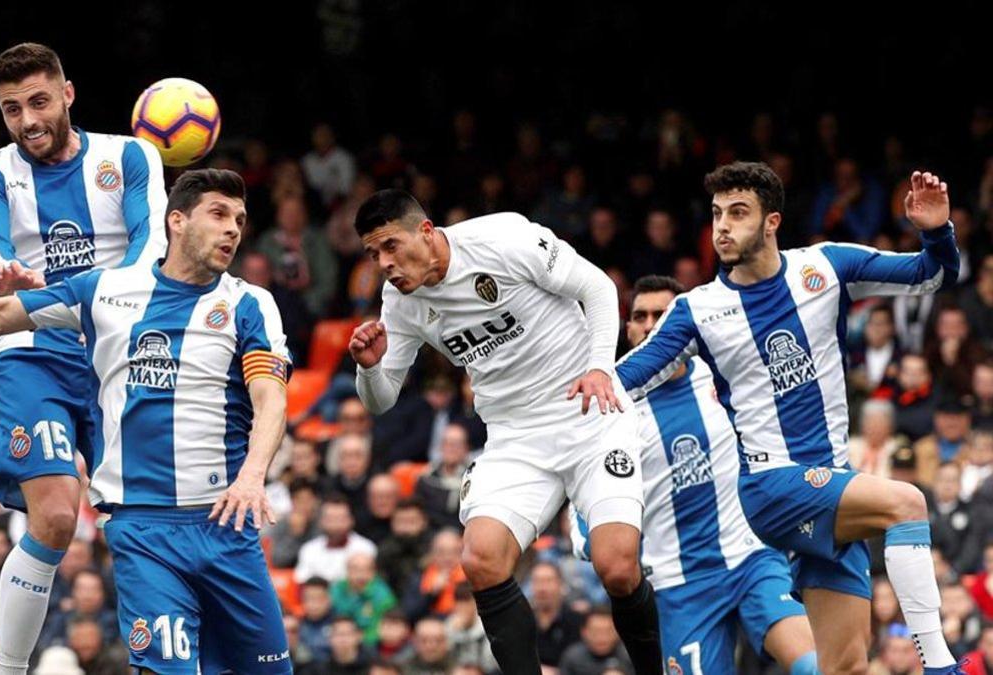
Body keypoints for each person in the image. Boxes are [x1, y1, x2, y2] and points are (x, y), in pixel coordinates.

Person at [0, 168, 292, 673]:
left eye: (241, 219)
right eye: (219, 214)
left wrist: (252, 477)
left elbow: (271, 397)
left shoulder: (250, 304)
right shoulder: (104, 290)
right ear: (177, 221)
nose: (233, 229)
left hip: (225, 524)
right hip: (142, 529)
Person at [617, 162, 963, 674]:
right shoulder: (698, 309)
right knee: (907, 502)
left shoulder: (825, 268)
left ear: (772, 222)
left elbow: (931, 275)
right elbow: (627, 377)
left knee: (844, 667)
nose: (723, 228)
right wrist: (573, 385)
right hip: (771, 487)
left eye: (738, 213)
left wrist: (936, 231)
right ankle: (940, 666)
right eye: (717, 214)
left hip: (830, 486)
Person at [348, 189, 659, 675]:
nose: (384, 263)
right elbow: (381, 399)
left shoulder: (504, 239)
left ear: (426, 232)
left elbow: (596, 288)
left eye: (390, 246)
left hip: (588, 412)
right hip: (514, 437)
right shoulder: (401, 302)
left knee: (617, 567)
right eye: (373, 254)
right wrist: (368, 369)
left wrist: (600, 367)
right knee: (481, 560)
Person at [0, 42, 166, 675]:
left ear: (68, 94)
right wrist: (12, 280)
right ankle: (9, 669)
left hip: (116, 352)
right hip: (31, 350)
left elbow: (149, 244)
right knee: (53, 515)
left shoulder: (130, 156)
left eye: (40, 102)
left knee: (140, 526)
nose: (27, 120)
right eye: (12, 108)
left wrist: (75, 297)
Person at [574, 275, 818, 674]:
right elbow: (582, 491)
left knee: (812, 665)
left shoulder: (725, 371)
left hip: (753, 558)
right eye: (641, 316)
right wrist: (595, 539)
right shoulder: (608, 401)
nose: (651, 324)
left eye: (662, 314)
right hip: (679, 585)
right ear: (629, 328)